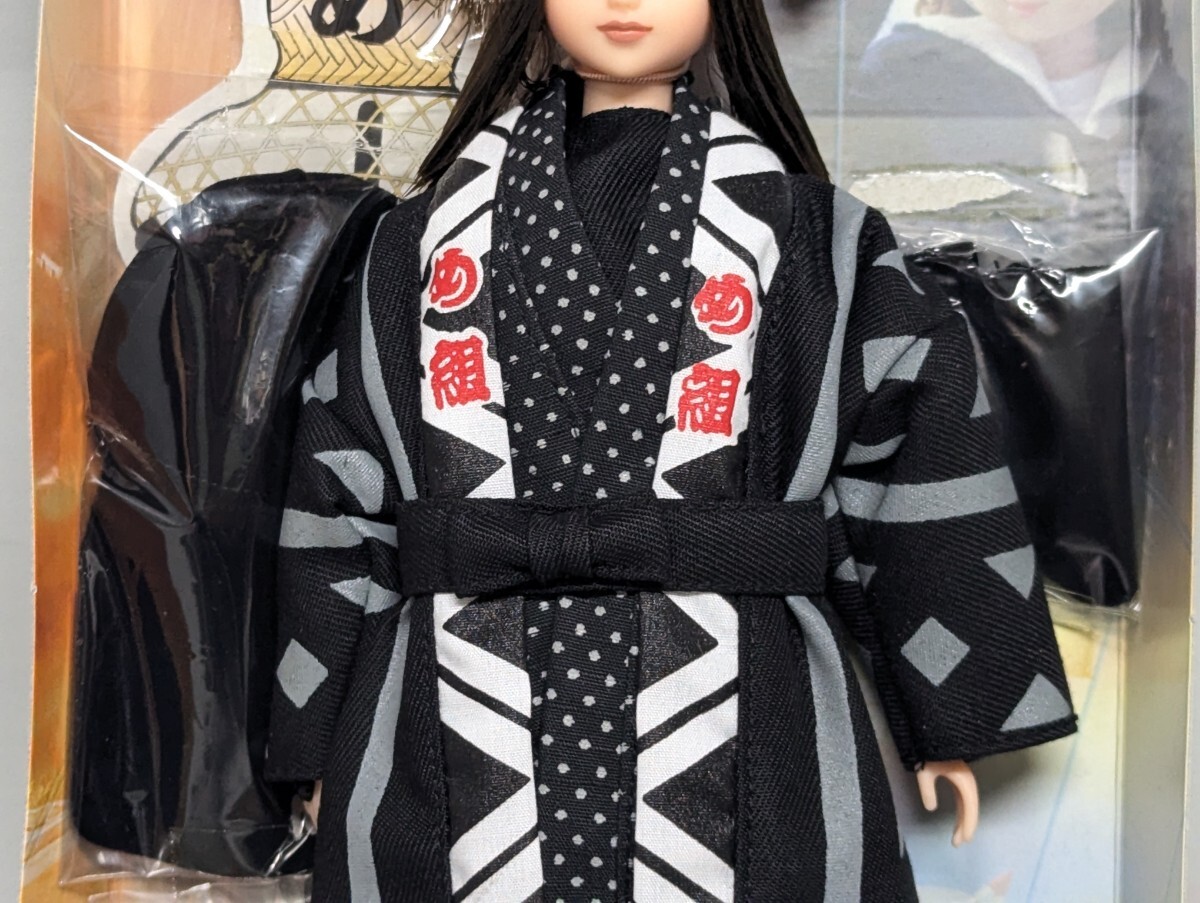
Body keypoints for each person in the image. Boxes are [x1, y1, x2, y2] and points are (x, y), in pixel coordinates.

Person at [266, 0, 1077, 899]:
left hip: (750, 690)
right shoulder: (417, 239)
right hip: (451, 689)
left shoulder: (817, 235)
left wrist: (950, 712)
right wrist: (318, 742)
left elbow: (905, 439)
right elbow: (340, 484)